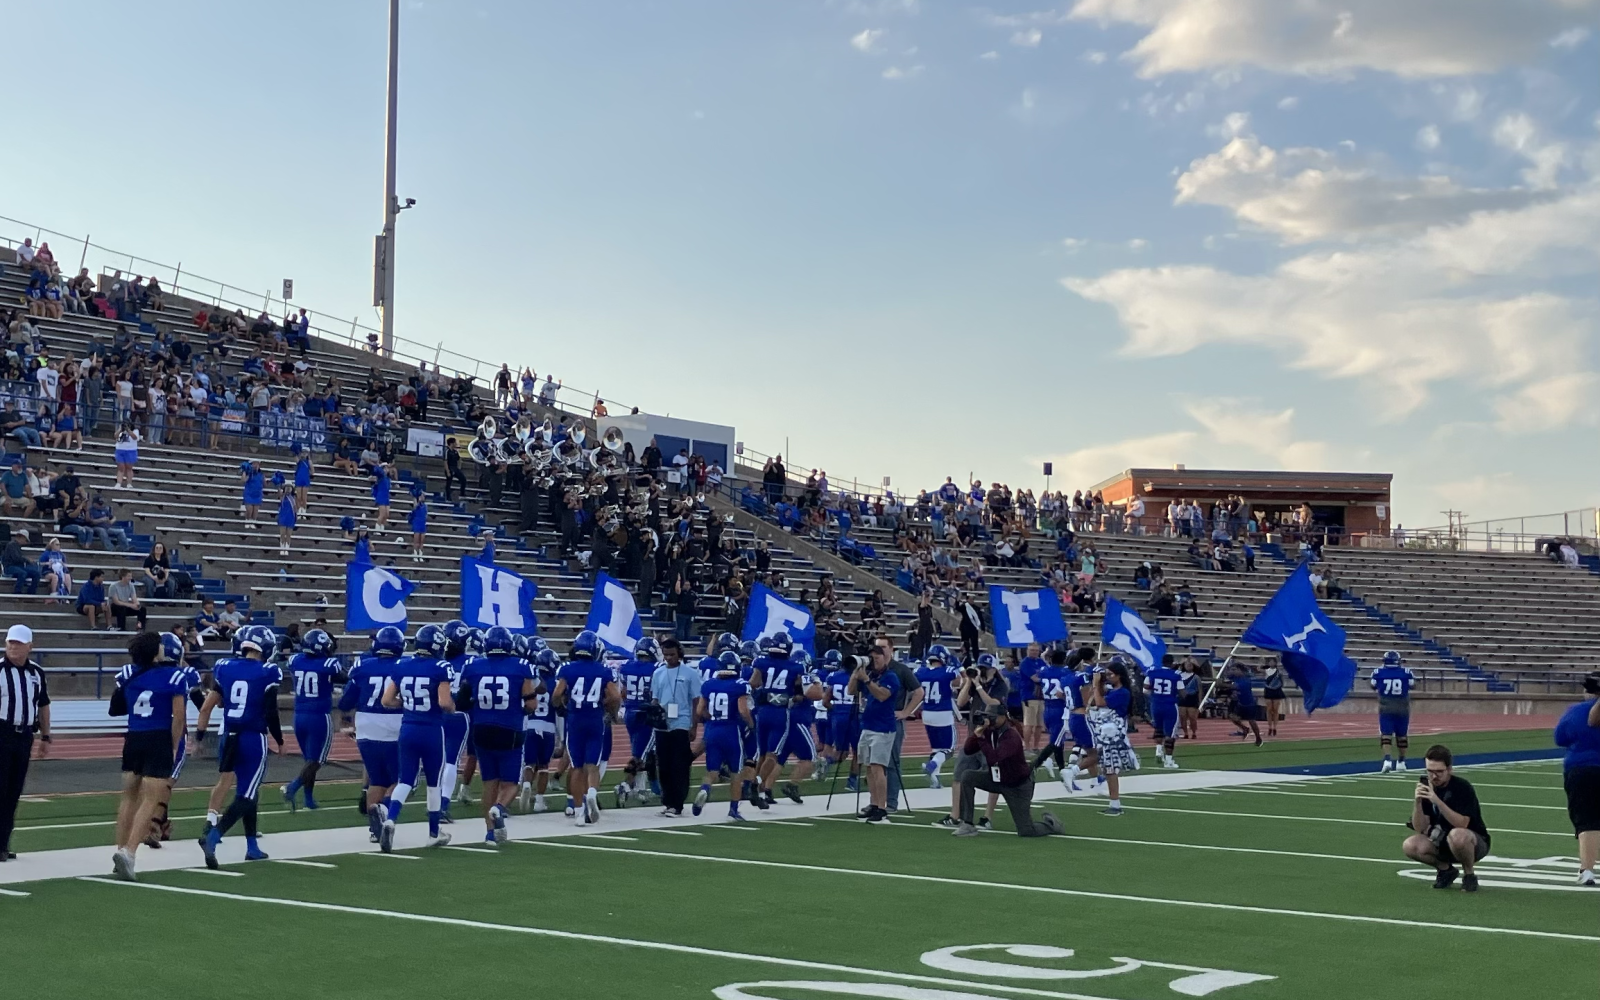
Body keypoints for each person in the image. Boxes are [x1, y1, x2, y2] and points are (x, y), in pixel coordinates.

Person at [107, 632, 195, 881]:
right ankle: (130, 853)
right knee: (151, 799)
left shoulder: (129, 674)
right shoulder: (174, 676)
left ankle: (120, 849)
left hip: (133, 736)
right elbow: (179, 716)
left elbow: (117, 707)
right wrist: (174, 745)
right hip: (158, 736)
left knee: (128, 797)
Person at [197, 626, 284, 868]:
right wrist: (280, 739)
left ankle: (252, 847)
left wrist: (199, 734)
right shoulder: (269, 671)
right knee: (247, 794)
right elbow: (270, 710)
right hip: (252, 736)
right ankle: (213, 835)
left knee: (249, 793)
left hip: (229, 735)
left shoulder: (225, 667)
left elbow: (215, 699)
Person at [376, 623, 455, 852]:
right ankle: (432, 833)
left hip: (408, 727)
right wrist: (452, 706)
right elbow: (443, 702)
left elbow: (386, 701)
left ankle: (390, 819)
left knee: (405, 780)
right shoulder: (441, 666)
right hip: (431, 729)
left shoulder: (402, 665)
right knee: (433, 783)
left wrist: (408, 705)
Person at [457, 626, 536, 843]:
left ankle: (490, 832)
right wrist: (521, 709)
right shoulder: (521, 667)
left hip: (481, 728)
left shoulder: (472, 666)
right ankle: (499, 809)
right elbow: (531, 704)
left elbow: (462, 701)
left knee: (489, 782)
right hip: (510, 729)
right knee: (511, 783)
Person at [337, 627, 405, 843]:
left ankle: (374, 830)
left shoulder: (362, 666)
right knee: (401, 779)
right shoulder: (403, 666)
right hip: (395, 724)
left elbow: (345, 702)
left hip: (366, 725)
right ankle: (383, 810)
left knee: (376, 779)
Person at [951, 706, 1063, 837]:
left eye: (992, 717)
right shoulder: (989, 732)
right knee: (968, 776)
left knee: (1026, 830)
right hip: (998, 780)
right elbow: (968, 750)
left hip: (1017, 786)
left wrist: (981, 740)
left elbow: (994, 758)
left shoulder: (1011, 737)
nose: (989, 720)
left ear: (1003, 717)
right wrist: (977, 734)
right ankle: (967, 823)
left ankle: (1050, 825)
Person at [552, 630, 621, 826]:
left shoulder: (567, 668)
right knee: (593, 765)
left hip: (575, 719)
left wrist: (561, 707)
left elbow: (557, 694)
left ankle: (579, 811)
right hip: (595, 718)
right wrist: (611, 711)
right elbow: (615, 697)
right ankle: (591, 793)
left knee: (576, 767)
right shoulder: (604, 670)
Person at [1402, 744, 1491, 892]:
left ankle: (1469, 875)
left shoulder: (1461, 787)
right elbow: (1420, 828)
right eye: (1430, 771)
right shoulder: (1427, 788)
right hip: (1442, 840)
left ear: (1449, 769)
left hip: (1473, 843)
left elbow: (1462, 823)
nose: (1434, 776)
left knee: (1457, 835)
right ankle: (1446, 870)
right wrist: (1417, 802)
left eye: (1439, 772)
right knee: (1410, 845)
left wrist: (1436, 800)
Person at [0, 625, 51, 862]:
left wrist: (46, 736)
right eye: (10, 642)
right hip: (2, 733)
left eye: (18, 643)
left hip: (24, 736)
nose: (13, 647)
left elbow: (42, 704)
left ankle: (3, 843)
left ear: (30, 646)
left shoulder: (36, 673)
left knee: (13, 791)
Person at [280, 629, 343, 813]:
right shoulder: (329, 664)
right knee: (316, 761)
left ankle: (308, 799)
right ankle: (292, 787)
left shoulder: (295, 661)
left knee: (309, 760)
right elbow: (345, 677)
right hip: (319, 716)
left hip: (299, 716)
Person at [694, 649, 756, 820]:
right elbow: (743, 711)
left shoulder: (708, 685)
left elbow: (700, 711)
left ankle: (705, 789)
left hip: (713, 729)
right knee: (736, 772)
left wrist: (713, 718)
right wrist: (751, 725)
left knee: (712, 770)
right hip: (731, 730)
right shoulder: (740, 684)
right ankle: (734, 809)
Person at [847, 643, 901, 824]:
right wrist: (856, 675)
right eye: (872, 658)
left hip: (883, 728)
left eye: (876, 658)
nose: (874, 661)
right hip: (867, 726)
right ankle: (873, 803)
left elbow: (882, 695)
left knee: (878, 767)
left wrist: (867, 681)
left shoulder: (891, 676)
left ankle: (882, 807)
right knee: (868, 767)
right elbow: (851, 691)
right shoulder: (868, 675)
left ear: (884, 658)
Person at [1554, 672, 1600, 886]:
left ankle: (1587, 870)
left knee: (1587, 822)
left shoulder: (1575, 712)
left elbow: (1560, 738)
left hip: (1581, 770)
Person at [650, 635, 703, 817]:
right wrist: (653, 712)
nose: (668, 658)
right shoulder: (658, 673)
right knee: (663, 765)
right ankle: (667, 801)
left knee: (679, 765)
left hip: (681, 722)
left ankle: (677, 803)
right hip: (663, 724)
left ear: (679, 653)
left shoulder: (690, 674)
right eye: (665, 654)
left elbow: (696, 700)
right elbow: (655, 698)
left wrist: (694, 725)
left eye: (672, 654)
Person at [1089, 658, 1140, 815]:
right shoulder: (1113, 690)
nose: (1108, 677)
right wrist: (1098, 684)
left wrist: (1097, 685)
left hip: (1113, 735)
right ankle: (1114, 802)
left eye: (1111, 674)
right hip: (1107, 733)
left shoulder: (1122, 692)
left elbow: (1099, 702)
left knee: (1111, 769)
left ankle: (1115, 805)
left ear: (1118, 676)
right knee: (1107, 768)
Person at [915, 646, 959, 789]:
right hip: (943, 712)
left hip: (927, 713)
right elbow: (959, 682)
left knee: (936, 749)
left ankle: (935, 780)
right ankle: (932, 765)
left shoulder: (921, 672)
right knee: (948, 749)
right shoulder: (948, 671)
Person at [1370, 650, 1415, 772]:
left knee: (1386, 735)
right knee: (1402, 736)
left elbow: (1373, 685)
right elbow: (1412, 685)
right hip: (1402, 707)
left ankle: (1387, 760)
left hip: (1386, 707)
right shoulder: (1406, 672)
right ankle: (1401, 762)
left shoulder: (1378, 672)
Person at [1144, 653, 1183, 768]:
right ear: (1172, 663)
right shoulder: (1175, 675)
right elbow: (1182, 693)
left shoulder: (1152, 673)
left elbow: (1145, 689)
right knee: (1170, 733)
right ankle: (1169, 760)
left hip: (1155, 704)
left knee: (1158, 729)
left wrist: (1155, 696)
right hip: (1170, 705)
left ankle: (1158, 750)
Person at [1226, 661, 1264, 746]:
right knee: (1232, 717)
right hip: (1240, 703)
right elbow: (1227, 675)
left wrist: (1222, 684)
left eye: (1235, 669)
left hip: (1249, 704)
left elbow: (1235, 686)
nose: (1233, 671)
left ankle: (1258, 738)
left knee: (1251, 721)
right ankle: (1245, 728)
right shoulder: (1235, 677)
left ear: (1240, 670)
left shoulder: (1246, 679)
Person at [113, 422, 139, 489]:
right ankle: (118, 483)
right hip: (120, 450)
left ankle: (129, 483)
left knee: (129, 468)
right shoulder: (120, 429)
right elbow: (115, 436)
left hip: (130, 450)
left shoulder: (135, 430)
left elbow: (135, 437)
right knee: (121, 467)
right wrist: (120, 430)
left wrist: (128, 430)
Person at [1261, 662, 1284, 738]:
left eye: (1272, 661)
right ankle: (1270, 726)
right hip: (1268, 691)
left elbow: (1281, 682)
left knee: (1275, 709)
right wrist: (1263, 664)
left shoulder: (1278, 672)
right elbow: (1259, 668)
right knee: (1269, 709)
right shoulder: (1266, 670)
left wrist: (1275, 686)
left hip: (1276, 691)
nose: (1271, 663)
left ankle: (1275, 727)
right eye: (1270, 661)